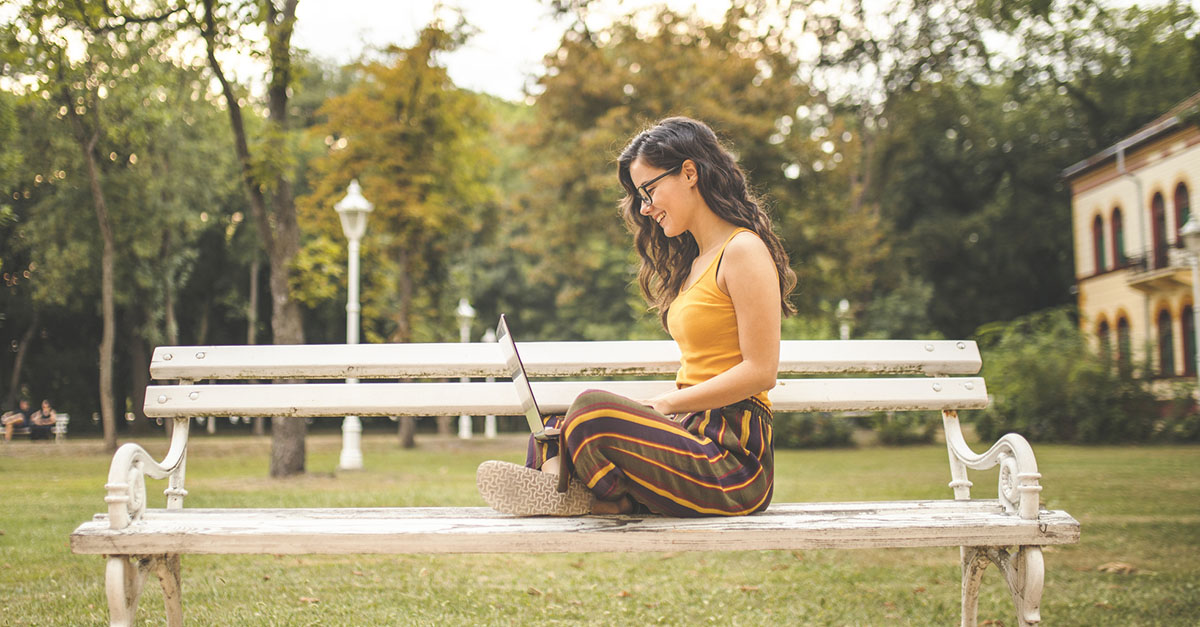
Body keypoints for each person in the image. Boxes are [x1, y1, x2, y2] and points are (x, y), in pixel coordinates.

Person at [478, 117, 797, 517]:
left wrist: (664, 403)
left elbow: (761, 371)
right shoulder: (696, 262)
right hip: (688, 435)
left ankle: (589, 496)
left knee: (591, 410)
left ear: (690, 172)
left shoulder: (743, 250)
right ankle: (566, 489)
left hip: (732, 460)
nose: (645, 208)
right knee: (556, 425)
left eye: (649, 190)